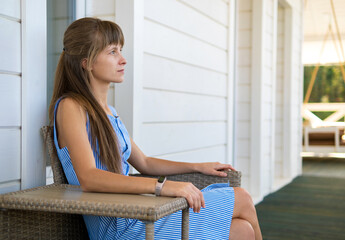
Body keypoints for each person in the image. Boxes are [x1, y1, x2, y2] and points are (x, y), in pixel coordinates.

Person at [49, 17, 262, 240]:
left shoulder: (109, 111)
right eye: (112, 52)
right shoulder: (71, 106)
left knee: (242, 231)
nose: (122, 60)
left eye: (121, 50)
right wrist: (162, 187)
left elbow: (145, 162)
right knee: (243, 198)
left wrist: (198, 166)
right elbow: (89, 177)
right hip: (118, 228)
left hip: (139, 214)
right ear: (87, 62)